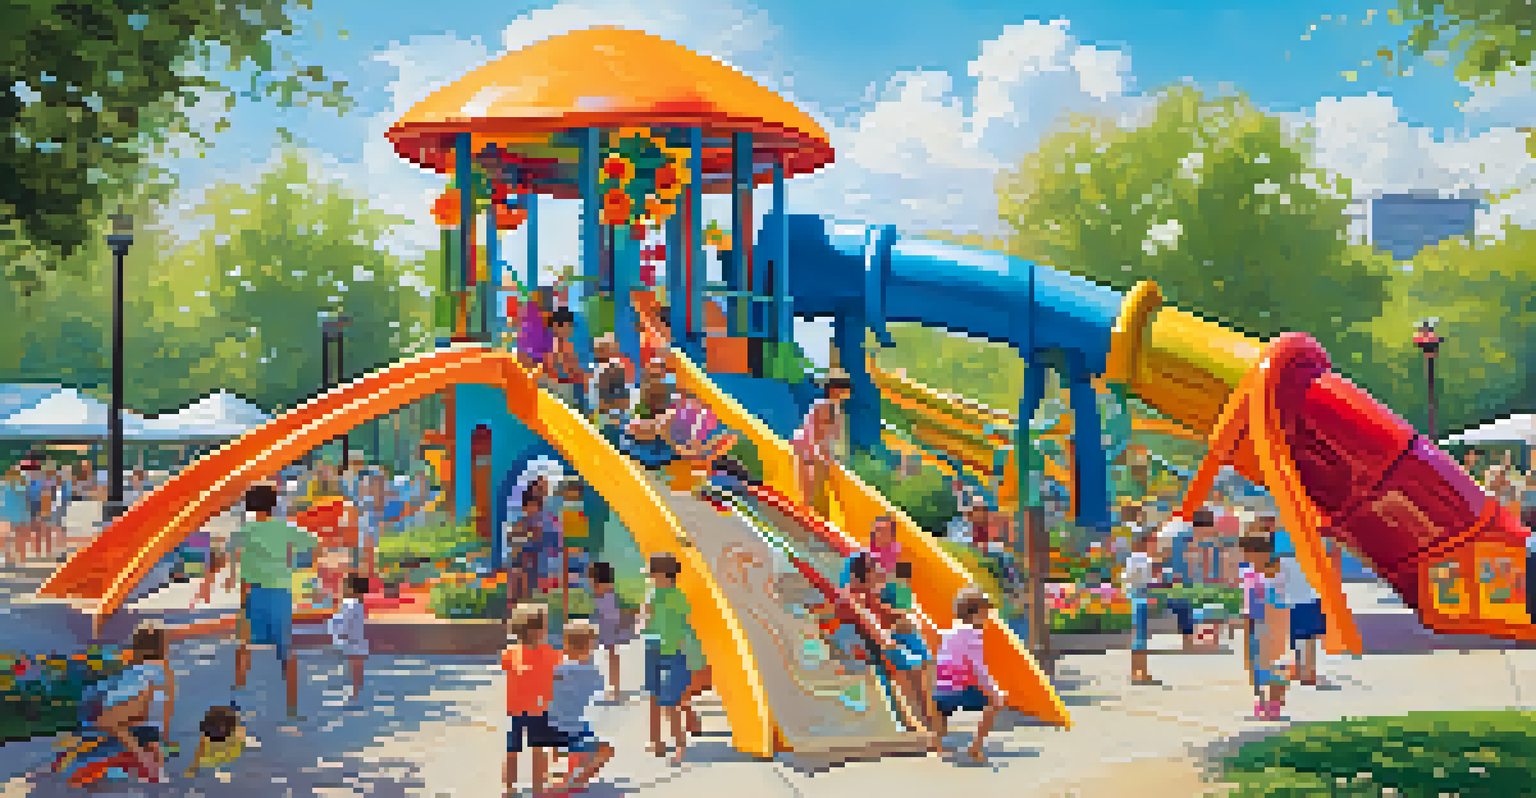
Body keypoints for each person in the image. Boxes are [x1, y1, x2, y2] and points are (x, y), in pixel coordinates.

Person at [212, 483, 316, 720]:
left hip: (252, 594)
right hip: (280, 593)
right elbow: (314, 544)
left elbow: (222, 555)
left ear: (249, 506)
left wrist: (228, 575)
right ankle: (291, 709)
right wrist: (301, 566)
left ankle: (236, 702)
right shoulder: (286, 529)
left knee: (245, 646)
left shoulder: (243, 532)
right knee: (286, 651)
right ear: (274, 504)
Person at [933, 587, 1006, 763]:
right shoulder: (973, 634)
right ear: (976, 614)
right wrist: (994, 690)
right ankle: (976, 745)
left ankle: (939, 746)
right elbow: (978, 667)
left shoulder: (951, 632)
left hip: (941, 687)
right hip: (959, 688)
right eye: (986, 613)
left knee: (943, 712)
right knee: (995, 703)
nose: (989, 617)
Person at [546, 619, 616, 794]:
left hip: (554, 728)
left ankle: (560, 771)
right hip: (575, 729)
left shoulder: (558, 669)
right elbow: (600, 693)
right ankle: (579, 780)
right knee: (606, 750)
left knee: (560, 737)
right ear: (590, 647)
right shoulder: (592, 672)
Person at [503, 603, 562, 796]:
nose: (544, 630)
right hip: (518, 710)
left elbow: (562, 672)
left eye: (543, 625)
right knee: (513, 751)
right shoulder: (512, 653)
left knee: (537, 750)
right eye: (540, 625)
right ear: (527, 629)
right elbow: (517, 669)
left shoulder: (551, 654)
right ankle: (510, 788)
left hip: (538, 710)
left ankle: (536, 789)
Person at [642, 552, 693, 765]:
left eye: (653, 573)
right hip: (656, 649)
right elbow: (648, 619)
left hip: (671, 652)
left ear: (664, 574)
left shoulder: (674, 596)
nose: (651, 577)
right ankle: (656, 741)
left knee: (670, 701)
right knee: (655, 696)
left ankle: (678, 746)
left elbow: (684, 623)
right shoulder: (657, 595)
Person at [1240, 535, 1292, 721]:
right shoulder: (1250, 575)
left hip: (1274, 622)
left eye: (1247, 553)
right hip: (1260, 622)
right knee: (1258, 666)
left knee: (1276, 665)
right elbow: (1248, 606)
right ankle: (1262, 703)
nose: (1245, 557)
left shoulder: (1276, 575)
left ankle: (1274, 705)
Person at [792, 370, 851, 518]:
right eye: (843, 388)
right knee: (813, 486)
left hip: (808, 448)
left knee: (813, 487)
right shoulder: (827, 407)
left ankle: (816, 515)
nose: (846, 392)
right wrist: (824, 456)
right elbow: (816, 434)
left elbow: (824, 435)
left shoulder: (833, 408)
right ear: (833, 390)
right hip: (808, 449)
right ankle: (816, 516)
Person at [1275, 533, 1325, 687]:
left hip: (1302, 597)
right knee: (1301, 636)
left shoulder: (1281, 540)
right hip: (1302, 597)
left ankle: (1306, 672)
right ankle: (1304, 670)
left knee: (1304, 636)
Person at [590, 561, 637, 702]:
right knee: (610, 657)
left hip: (608, 627)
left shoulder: (604, 591)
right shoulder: (606, 590)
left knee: (611, 657)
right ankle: (612, 688)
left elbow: (611, 613)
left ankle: (614, 688)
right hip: (606, 626)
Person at [328, 573, 370, 704]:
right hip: (359, 641)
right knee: (357, 670)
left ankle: (354, 696)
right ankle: (356, 695)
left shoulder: (350, 604)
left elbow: (344, 623)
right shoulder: (360, 604)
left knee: (352, 670)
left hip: (351, 641)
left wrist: (333, 626)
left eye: (345, 586)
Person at [1124, 529, 1159, 685]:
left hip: (1132, 597)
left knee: (1136, 637)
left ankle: (1135, 672)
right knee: (1142, 638)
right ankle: (1142, 672)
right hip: (1142, 597)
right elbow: (1150, 581)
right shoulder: (1146, 560)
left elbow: (1127, 579)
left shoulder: (1131, 559)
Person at [544, 307, 585, 408]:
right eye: (569, 326)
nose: (570, 329)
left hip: (564, 388)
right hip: (561, 389)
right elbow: (571, 371)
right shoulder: (559, 346)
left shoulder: (564, 345)